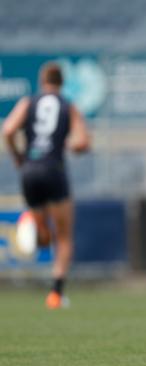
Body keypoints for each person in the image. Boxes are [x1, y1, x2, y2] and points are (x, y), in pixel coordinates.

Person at [2, 62, 91, 309]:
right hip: (54, 169)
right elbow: (83, 142)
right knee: (63, 237)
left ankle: (36, 225)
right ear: (62, 83)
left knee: (44, 238)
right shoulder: (68, 106)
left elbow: (8, 130)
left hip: (29, 170)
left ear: (42, 81)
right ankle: (56, 294)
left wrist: (18, 156)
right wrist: (69, 145)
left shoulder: (27, 103)